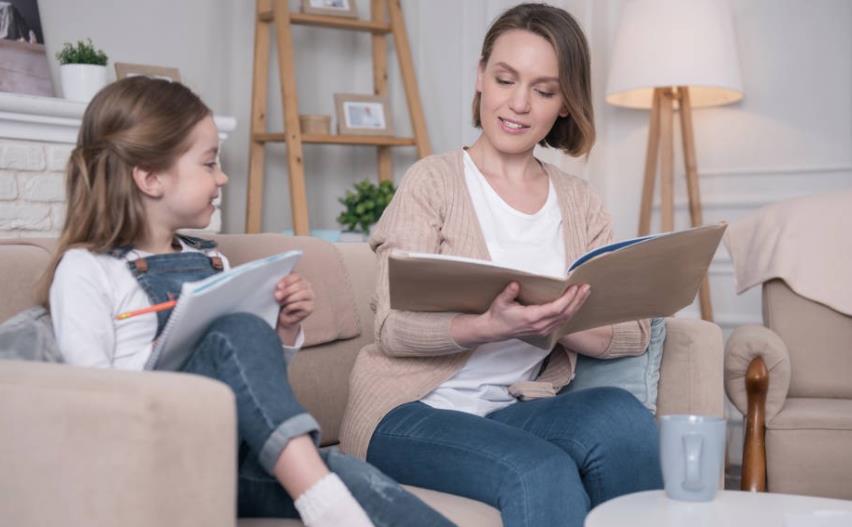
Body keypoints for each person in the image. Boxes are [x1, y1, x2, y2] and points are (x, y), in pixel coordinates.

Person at [40, 76, 452, 527]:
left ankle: (321, 489)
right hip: (154, 457)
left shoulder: (209, 259)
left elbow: (253, 387)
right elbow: (91, 400)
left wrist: (283, 330)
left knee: (361, 481)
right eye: (209, 163)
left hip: (231, 456)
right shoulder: (88, 270)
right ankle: (319, 496)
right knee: (234, 331)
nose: (222, 177)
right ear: (151, 178)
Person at [339, 4, 664, 526]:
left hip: (509, 410)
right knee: (540, 470)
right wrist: (490, 326)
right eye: (505, 79)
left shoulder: (580, 201)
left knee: (623, 420)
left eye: (543, 90)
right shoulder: (432, 182)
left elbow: (634, 332)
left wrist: (559, 322)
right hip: (408, 413)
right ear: (480, 76)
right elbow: (392, 329)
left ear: (565, 102)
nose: (518, 103)